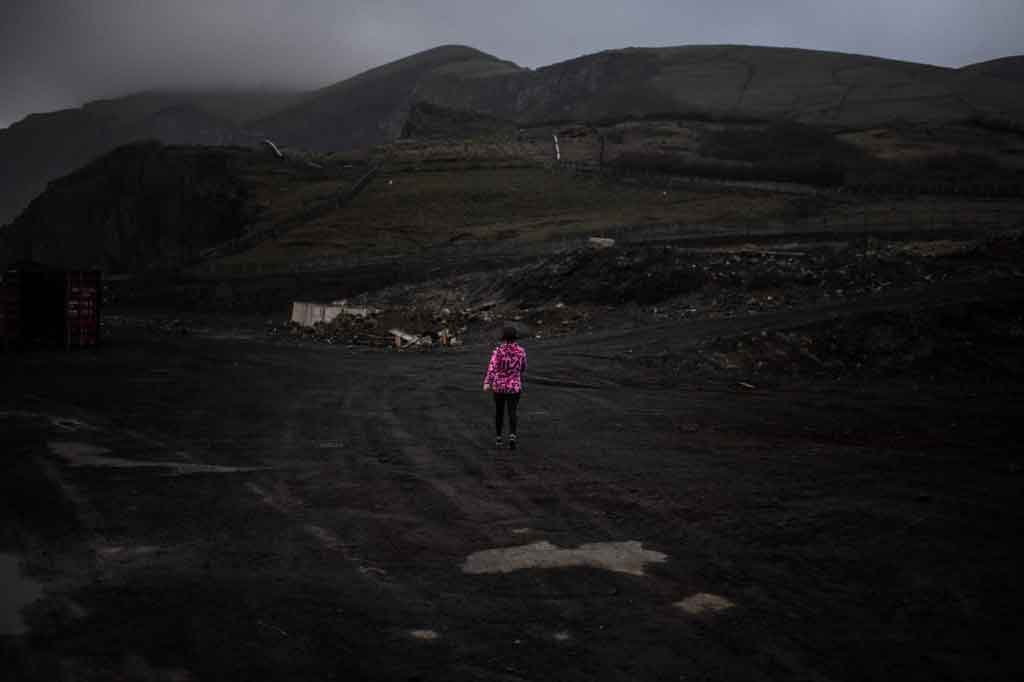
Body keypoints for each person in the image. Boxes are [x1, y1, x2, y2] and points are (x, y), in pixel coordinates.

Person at [483, 325, 528, 449]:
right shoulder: (521, 351)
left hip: (499, 386)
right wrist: (515, 373)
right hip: (514, 386)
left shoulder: (498, 351)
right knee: (512, 411)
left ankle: (498, 438)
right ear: (515, 337)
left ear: (503, 337)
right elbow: (523, 367)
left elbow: (492, 368)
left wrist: (487, 382)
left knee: (499, 412)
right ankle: (512, 436)